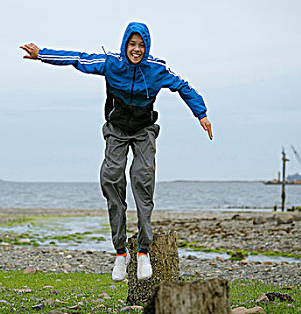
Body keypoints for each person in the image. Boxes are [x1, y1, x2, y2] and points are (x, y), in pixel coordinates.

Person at [20, 22, 212, 282]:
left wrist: (201, 114)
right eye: (132, 44)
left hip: (144, 130)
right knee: (110, 178)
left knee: (143, 180)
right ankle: (121, 253)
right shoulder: (112, 63)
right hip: (116, 130)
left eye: (141, 45)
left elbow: (183, 87)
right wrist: (42, 54)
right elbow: (78, 59)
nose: (136, 49)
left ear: (147, 47)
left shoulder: (157, 69)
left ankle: (143, 251)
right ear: (125, 45)